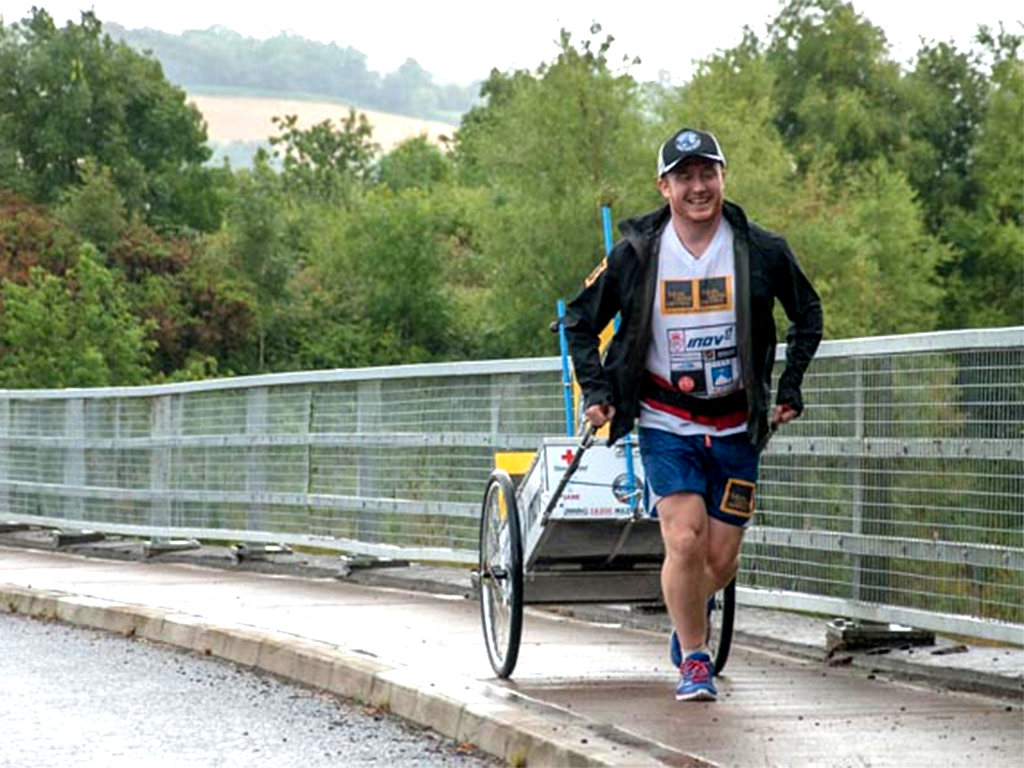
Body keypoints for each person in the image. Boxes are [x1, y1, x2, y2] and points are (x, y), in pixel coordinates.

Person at [564, 127, 823, 701]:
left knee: (720, 559)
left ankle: (690, 613)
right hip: (665, 419)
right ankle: (695, 658)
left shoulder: (761, 249)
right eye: (684, 177)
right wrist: (597, 389)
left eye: (708, 173)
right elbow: (579, 319)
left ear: (724, 177)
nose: (698, 187)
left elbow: (809, 312)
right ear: (664, 187)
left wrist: (791, 385)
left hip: (737, 425)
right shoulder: (636, 252)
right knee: (683, 540)